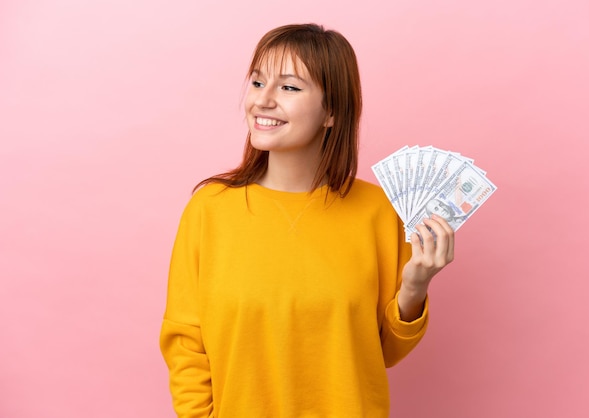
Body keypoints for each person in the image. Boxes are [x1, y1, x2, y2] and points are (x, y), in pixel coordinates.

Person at [159, 23, 455, 418]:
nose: (263, 100)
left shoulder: (377, 211)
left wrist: (416, 286)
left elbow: (382, 352)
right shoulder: (210, 208)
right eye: (258, 82)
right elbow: (185, 343)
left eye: (289, 87)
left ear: (331, 111)